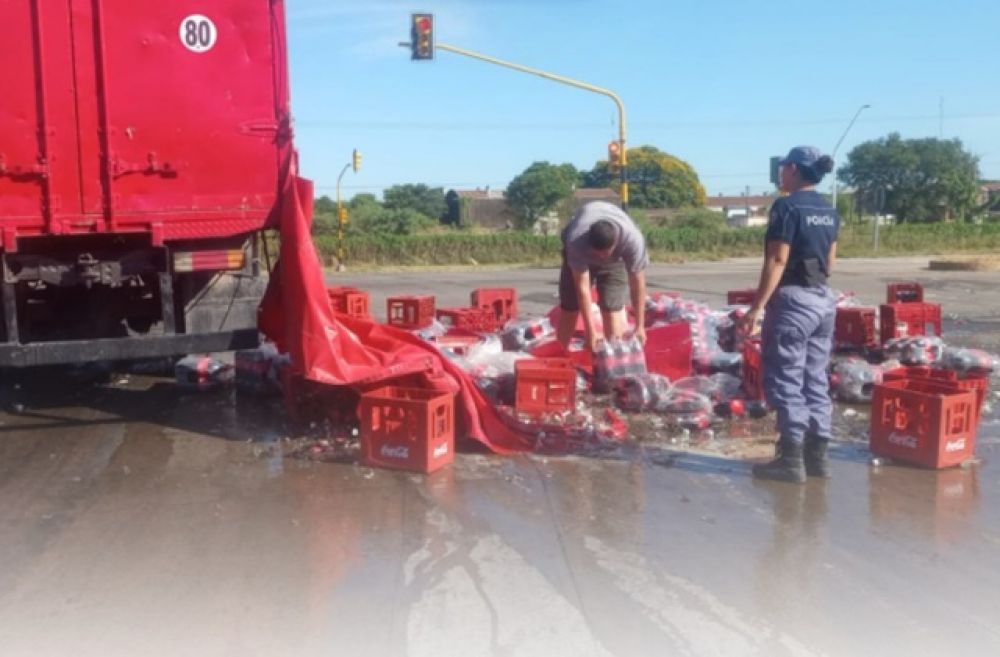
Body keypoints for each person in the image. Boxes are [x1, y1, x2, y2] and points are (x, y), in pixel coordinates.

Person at [741, 146, 839, 483]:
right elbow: (830, 261)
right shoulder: (829, 209)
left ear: (794, 169)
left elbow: (777, 261)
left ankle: (791, 461)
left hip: (794, 301)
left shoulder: (787, 207)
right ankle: (819, 458)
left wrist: (757, 307)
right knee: (815, 378)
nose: (780, 173)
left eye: (783, 168)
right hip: (823, 300)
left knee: (787, 379)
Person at [556, 201, 648, 352]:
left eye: (605, 253)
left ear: (616, 242)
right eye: (597, 253)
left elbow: (638, 284)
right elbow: (582, 289)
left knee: (612, 307)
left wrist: (640, 326)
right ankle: (558, 356)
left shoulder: (632, 241)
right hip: (581, 258)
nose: (601, 257)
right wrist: (590, 331)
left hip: (615, 263)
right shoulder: (576, 241)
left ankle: (613, 359)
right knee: (570, 306)